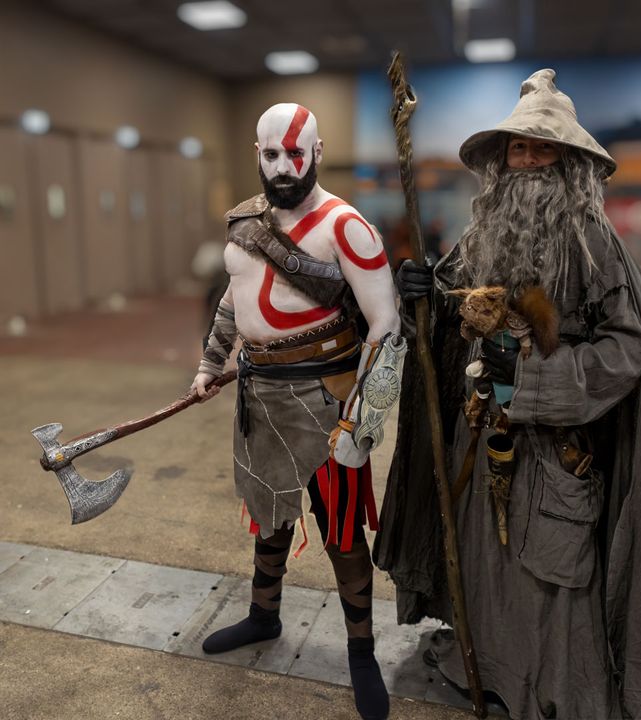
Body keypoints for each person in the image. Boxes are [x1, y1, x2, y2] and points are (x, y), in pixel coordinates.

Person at [374, 69, 641, 719]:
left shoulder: (597, 246)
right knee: (482, 569)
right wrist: (419, 295)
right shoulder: (483, 237)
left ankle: (551, 690)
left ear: (569, 161)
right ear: (501, 161)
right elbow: (446, 322)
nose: (530, 160)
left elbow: (627, 351)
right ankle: (484, 665)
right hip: (479, 443)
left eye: (543, 148)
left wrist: (533, 382)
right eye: (519, 148)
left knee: (544, 580)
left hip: (552, 454)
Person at [192, 103, 403, 720]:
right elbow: (232, 303)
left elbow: (386, 330)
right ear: (256, 154)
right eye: (270, 155)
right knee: (269, 515)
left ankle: (361, 652)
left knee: (342, 535)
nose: (284, 167)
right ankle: (264, 615)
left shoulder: (347, 226)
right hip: (260, 395)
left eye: (295, 153)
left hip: (328, 398)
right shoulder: (245, 223)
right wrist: (210, 363)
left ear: (317, 151)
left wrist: (360, 423)